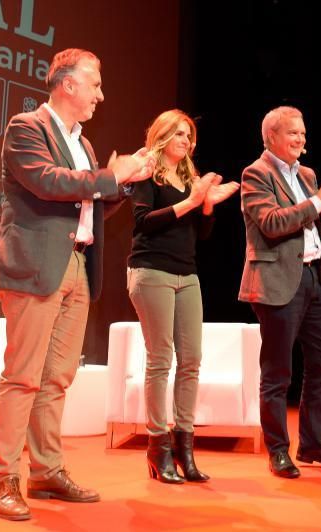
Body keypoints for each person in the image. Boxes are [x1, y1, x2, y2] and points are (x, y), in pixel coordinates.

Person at [0, 48, 153, 521]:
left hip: (78, 264)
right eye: (95, 83)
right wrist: (106, 177)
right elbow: (46, 182)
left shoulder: (86, 144)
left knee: (58, 377)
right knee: (23, 376)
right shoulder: (26, 127)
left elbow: (90, 200)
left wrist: (122, 183)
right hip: (36, 264)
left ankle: (46, 470)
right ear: (67, 84)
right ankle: (3, 480)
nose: (101, 94)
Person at [238, 105, 321, 479]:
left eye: (303, 134)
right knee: (277, 371)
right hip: (276, 282)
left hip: (313, 278)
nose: (301, 140)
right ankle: (277, 450)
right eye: (293, 133)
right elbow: (273, 224)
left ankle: (314, 444)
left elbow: (320, 225)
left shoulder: (306, 174)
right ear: (271, 136)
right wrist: (318, 200)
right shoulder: (255, 173)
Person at [127, 109, 239, 484]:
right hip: (151, 270)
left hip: (186, 273)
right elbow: (143, 221)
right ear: (161, 135)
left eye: (189, 136)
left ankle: (185, 450)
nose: (186, 141)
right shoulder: (146, 169)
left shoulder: (190, 176)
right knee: (161, 359)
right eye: (178, 134)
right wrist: (191, 202)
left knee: (191, 360)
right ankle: (158, 449)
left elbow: (202, 233)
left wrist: (206, 204)